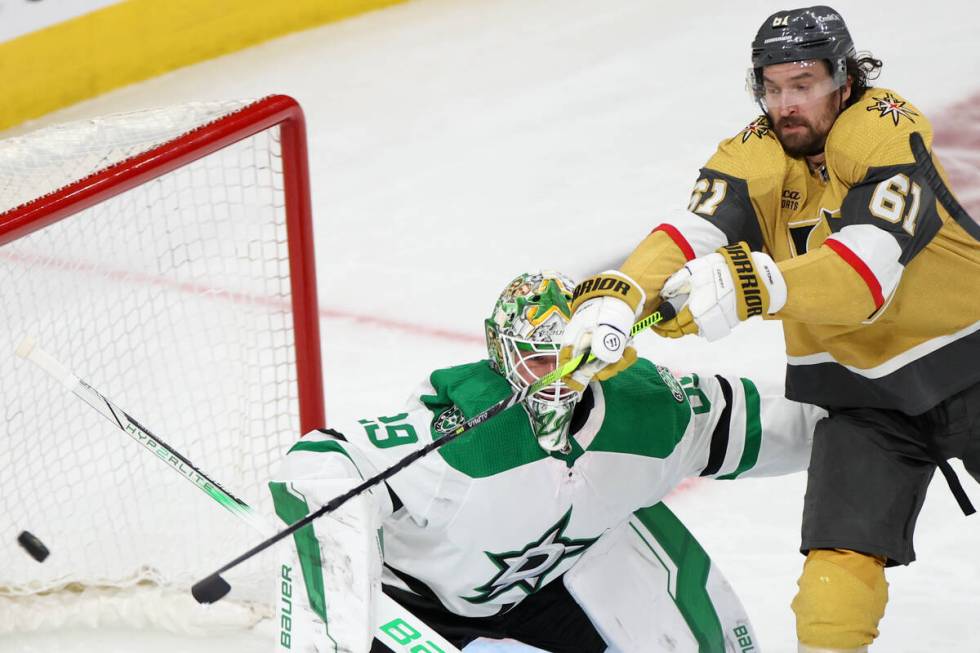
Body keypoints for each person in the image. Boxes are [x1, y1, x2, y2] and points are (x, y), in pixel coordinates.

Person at [559, 6, 980, 653]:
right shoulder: (755, 153)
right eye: (773, 86)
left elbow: (866, 274)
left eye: (803, 84)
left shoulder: (885, 129)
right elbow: (688, 233)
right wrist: (620, 293)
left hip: (970, 360)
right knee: (829, 601)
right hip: (866, 403)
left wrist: (754, 286)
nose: (786, 103)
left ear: (844, 79)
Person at [270, 270, 824, 653]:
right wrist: (329, 539)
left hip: (552, 585)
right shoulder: (460, 440)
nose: (559, 378)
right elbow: (322, 461)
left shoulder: (650, 412)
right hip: (418, 604)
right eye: (539, 360)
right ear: (503, 356)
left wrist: (876, 426)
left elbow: (768, 422)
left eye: (569, 357)